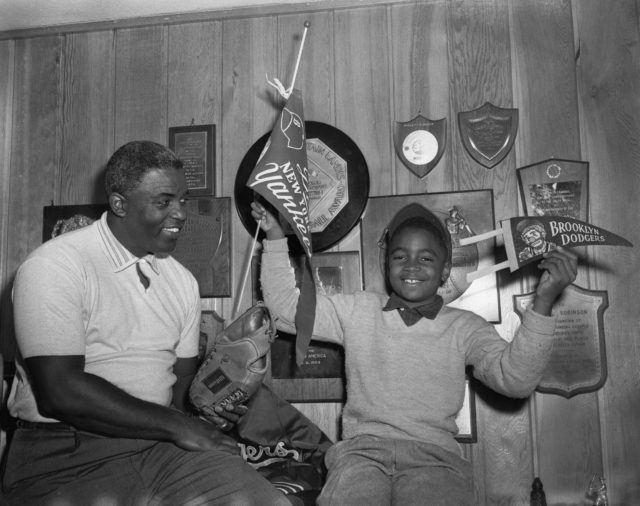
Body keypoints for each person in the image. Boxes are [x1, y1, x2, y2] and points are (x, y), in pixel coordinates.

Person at [2, 141, 292, 505]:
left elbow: (181, 390)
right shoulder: (56, 265)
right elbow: (60, 391)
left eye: (183, 200)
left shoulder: (182, 282)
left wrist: (211, 404)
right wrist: (181, 426)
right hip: (62, 456)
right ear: (120, 204)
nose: (181, 214)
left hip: (159, 448)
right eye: (164, 201)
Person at [250, 200, 578, 506]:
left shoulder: (466, 327)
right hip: (362, 455)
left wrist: (544, 301)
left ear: (445, 269)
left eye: (426, 258)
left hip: (435, 460)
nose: (412, 266)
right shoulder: (358, 310)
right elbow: (285, 310)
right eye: (400, 256)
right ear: (386, 262)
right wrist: (276, 237)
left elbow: (516, 380)